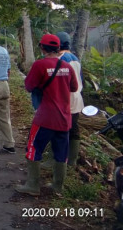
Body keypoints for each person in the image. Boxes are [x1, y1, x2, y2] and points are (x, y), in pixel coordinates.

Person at [16, 34, 78, 196]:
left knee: (33, 148)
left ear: (42, 48)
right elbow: (74, 87)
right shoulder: (67, 66)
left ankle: (33, 185)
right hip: (64, 119)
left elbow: (29, 86)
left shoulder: (40, 65)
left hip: (45, 118)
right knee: (61, 153)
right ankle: (58, 187)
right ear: (58, 48)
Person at [56, 31, 84, 167]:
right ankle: (72, 160)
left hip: (65, 98)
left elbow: (61, 82)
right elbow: (80, 79)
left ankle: (58, 160)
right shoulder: (75, 58)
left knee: (60, 130)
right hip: (77, 97)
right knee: (74, 128)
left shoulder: (61, 59)